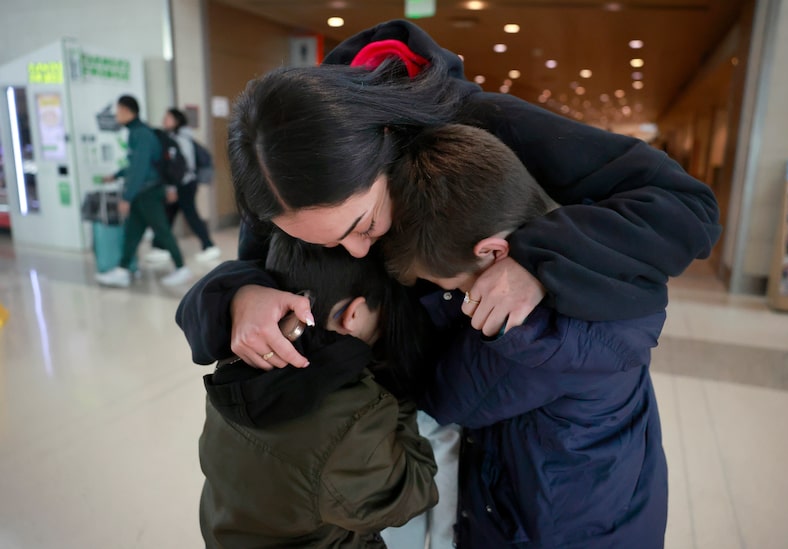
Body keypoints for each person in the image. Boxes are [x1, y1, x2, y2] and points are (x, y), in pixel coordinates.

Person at [175, 19, 720, 374]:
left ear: (387, 139)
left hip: (517, 422)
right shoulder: (281, 179)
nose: (359, 251)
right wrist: (241, 297)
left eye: (362, 225)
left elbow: (685, 207)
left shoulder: (486, 124)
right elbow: (254, 272)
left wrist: (538, 260)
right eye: (329, 242)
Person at [380, 123, 668, 549]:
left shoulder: (533, 335)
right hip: (615, 507)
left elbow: (447, 399)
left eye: (452, 286)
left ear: (493, 252)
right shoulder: (588, 254)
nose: (454, 296)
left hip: (554, 536)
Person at [199, 230, 438, 549]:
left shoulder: (237, 356)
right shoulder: (351, 420)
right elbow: (414, 491)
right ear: (353, 315)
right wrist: (398, 398)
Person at [96, 95, 192, 287]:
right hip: (142, 192)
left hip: (149, 193)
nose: (116, 115)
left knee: (162, 231)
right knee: (132, 232)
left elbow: (139, 169)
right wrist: (116, 175)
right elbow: (135, 165)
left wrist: (127, 197)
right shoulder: (136, 132)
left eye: (118, 111)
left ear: (127, 111)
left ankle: (181, 268)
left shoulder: (141, 134)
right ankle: (123, 270)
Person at [145, 108, 221, 265]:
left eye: (168, 118)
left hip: (184, 184)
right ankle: (160, 247)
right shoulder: (175, 137)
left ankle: (209, 246)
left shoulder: (181, 139)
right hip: (182, 183)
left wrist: (173, 187)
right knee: (169, 214)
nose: (164, 120)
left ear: (177, 121)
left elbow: (180, 166)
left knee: (189, 215)